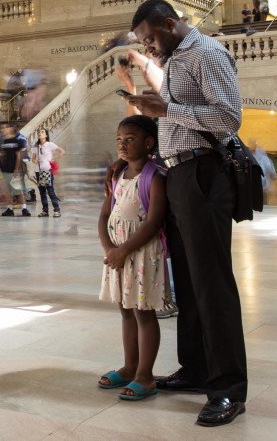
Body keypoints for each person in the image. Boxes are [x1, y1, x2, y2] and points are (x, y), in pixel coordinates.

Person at [127, 0, 247, 427]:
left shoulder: (207, 53)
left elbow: (229, 117)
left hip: (204, 174)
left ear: (170, 23)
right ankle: (196, 369)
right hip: (177, 174)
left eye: (151, 38)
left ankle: (229, 389)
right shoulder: (175, 59)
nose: (150, 47)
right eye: (145, 43)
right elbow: (184, 114)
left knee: (212, 283)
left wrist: (166, 109)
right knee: (189, 284)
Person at [96, 115, 170, 400]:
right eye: (119, 140)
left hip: (141, 254)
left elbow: (153, 223)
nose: (123, 145)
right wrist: (108, 249)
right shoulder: (117, 175)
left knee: (143, 312)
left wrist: (124, 249)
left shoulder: (154, 176)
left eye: (130, 140)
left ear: (148, 143)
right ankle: (129, 367)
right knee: (125, 310)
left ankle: (145, 376)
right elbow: (105, 214)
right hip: (117, 254)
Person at [0, 123, 30, 217]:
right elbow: (2, 155)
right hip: (5, 169)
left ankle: (24, 208)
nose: (3, 130)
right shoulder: (3, 141)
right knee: (8, 191)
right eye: (2, 128)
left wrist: (17, 168)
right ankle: (9, 209)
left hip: (14, 169)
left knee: (18, 190)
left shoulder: (16, 140)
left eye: (5, 128)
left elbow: (18, 155)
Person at [31, 128, 64, 217]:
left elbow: (62, 151)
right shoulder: (35, 146)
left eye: (42, 132)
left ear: (46, 135)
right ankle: (45, 211)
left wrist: (54, 160)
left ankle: (57, 210)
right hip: (38, 170)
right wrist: (36, 159)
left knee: (50, 191)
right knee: (42, 191)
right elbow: (33, 159)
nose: (40, 133)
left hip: (47, 170)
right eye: (39, 132)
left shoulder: (49, 144)